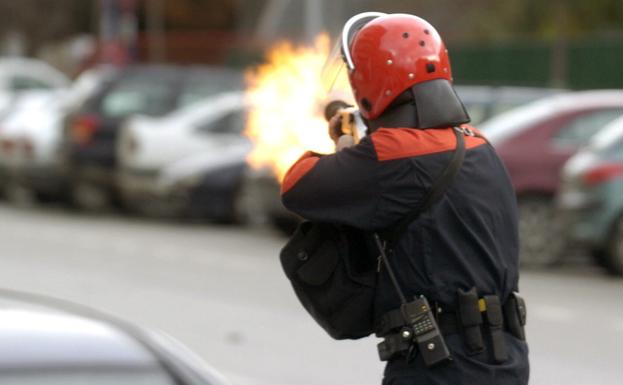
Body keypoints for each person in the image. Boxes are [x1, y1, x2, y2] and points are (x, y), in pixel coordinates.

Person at [280, 12, 529, 385]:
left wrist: (345, 146)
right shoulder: (478, 143)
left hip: (441, 367)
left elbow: (298, 186)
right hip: (503, 360)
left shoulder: (393, 154)